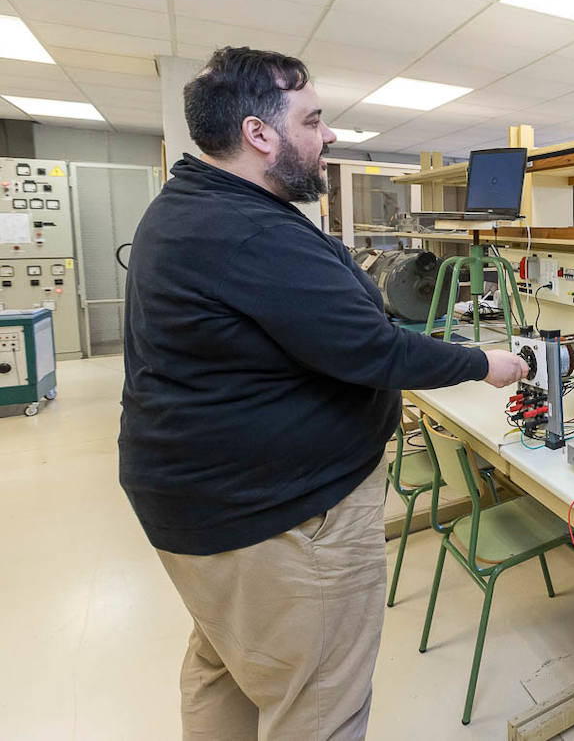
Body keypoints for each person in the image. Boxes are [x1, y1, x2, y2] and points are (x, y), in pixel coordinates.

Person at [119, 46, 529, 740]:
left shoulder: (195, 204)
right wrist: (482, 363)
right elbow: (374, 350)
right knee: (317, 707)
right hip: (280, 522)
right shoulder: (246, 229)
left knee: (226, 669)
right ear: (258, 134)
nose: (329, 134)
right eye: (313, 119)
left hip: (205, 508)